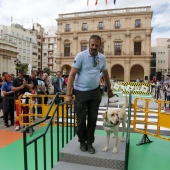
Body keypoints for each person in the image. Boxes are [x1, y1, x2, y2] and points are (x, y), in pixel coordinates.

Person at [65, 35, 114, 154]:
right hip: (81, 92)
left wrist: (110, 90)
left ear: (100, 45)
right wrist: (68, 94)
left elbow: (106, 75)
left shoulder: (102, 58)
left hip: (95, 92)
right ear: (89, 44)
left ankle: (90, 143)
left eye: (96, 45)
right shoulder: (81, 56)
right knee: (81, 119)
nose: (94, 47)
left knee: (92, 119)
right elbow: (71, 75)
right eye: (92, 44)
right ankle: (82, 141)